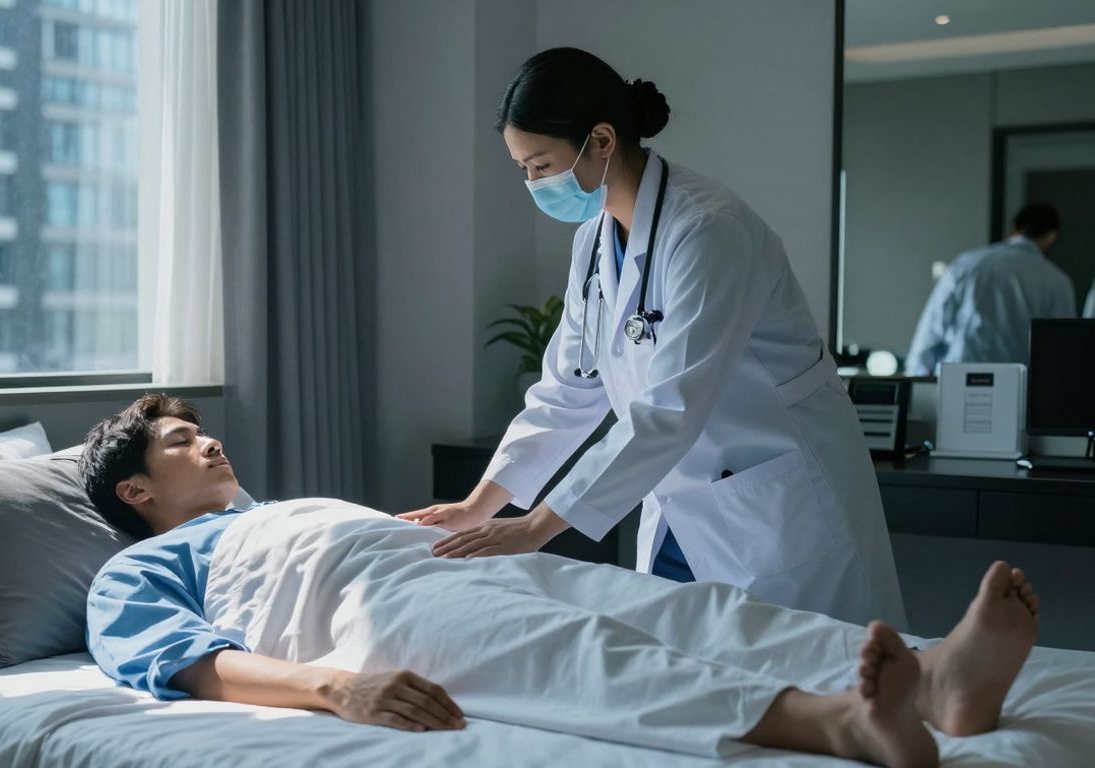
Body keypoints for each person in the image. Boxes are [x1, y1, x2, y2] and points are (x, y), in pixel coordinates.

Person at [78, 393, 1043, 768]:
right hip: (365, 611)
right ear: (135, 488)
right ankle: (835, 722)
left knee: (688, 608)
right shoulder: (134, 572)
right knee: (584, 655)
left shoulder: (265, 509)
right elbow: (195, 666)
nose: (207, 438)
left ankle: (938, 679)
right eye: (177, 440)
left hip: (443, 563)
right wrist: (339, 687)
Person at [397, 47, 903, 628]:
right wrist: (478, 504)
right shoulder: (594, 240)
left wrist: (537, 526)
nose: (533, 184)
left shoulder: (710, 231)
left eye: (541, 165)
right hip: (680, 507)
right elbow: (568, 391)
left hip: (776, 505)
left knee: (824, 680)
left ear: (603, 141)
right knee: (694, 678)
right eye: (523, 169)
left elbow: (670, 407)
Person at [905, 203, 1075, 376]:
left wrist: (916, 381)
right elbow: (1061, 346)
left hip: (959, 378)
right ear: (1051, 236)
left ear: (1014, 229)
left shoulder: (967, 264)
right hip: (1019, 386)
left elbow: (933, 326)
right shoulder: (1057, 282)